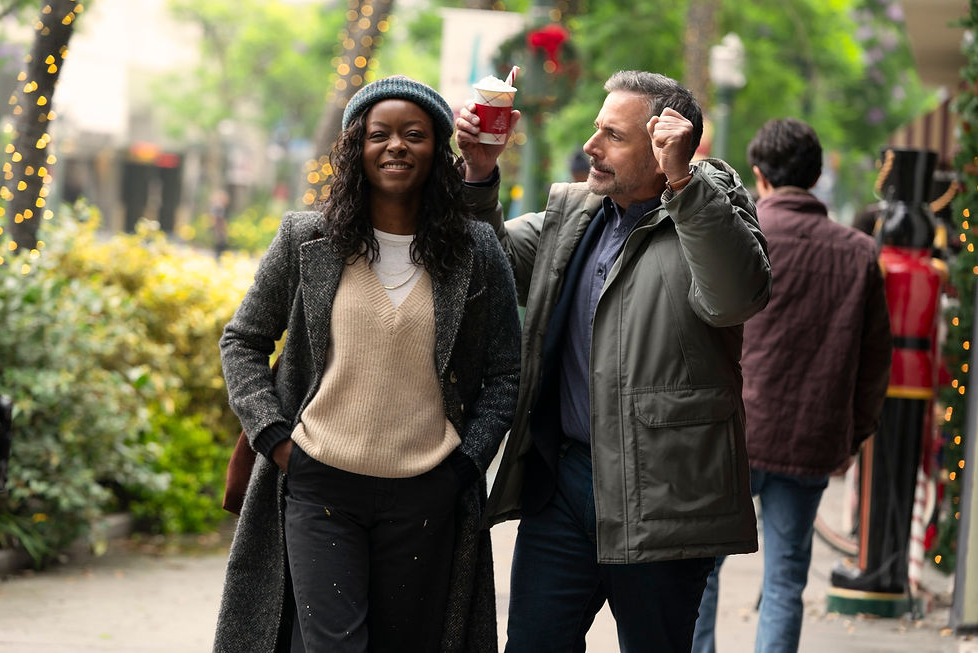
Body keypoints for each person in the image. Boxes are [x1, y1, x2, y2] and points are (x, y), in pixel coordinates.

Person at [456, 70, 772, 652]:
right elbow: (485, 268)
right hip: (562, 485)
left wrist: (685, 182)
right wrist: (479, 172)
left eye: (613, 136)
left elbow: (735, 297)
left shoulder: (712, 211)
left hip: (665, 495)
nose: (590, 146)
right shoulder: (573, 216)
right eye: (597, 129)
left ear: (663, 150)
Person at [212, 75, 521, 653]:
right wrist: (276, 439)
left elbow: (506, 373)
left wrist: (465, 462)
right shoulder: (308, 239)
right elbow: (243, 340)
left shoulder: (476, 251)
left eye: (414, 134)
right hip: (319, 484)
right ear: (356, 147)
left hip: (426, 492)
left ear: (437, 149)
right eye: (380, 134)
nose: (397, 145)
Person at [691, 118, 892, 653]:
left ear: (758, 175)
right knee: (786, 580)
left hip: (733, 434)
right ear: (817, 174)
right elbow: (875, 364)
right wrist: (852, 438)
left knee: (700, 574)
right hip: (812, 436)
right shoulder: (858, 253)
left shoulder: (736, 236)